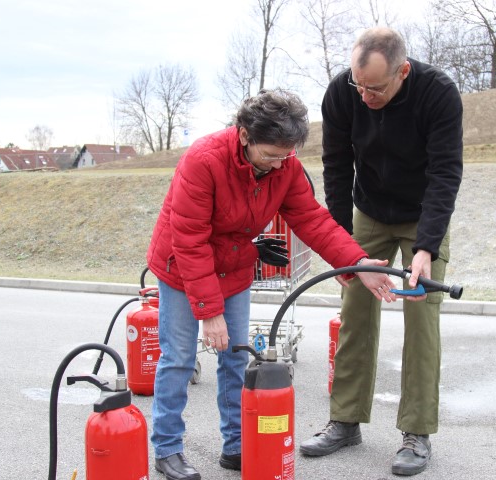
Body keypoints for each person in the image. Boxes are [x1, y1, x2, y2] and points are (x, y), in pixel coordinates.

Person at [146, 88, 398, 480]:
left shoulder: (285, 167)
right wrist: (209, 313)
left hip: (234, 268)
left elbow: (312, 220)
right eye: (270, 154)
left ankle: (236, 444)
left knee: (235, 357)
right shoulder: (203, 159)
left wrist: (357, 262)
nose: (279, 163)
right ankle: (168, 448)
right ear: (244, 135)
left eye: (287, 154)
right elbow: (190, 239)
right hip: (182, 268)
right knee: (178, 357)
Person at [298, 27, 463, 476]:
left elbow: (446, 172)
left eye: (375, 86)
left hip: (421, 213)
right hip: (367, 211)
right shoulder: (342, 93)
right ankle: (345, 420)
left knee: (422, 315)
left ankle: (416, 431)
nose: (364, 94)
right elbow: (336, 166)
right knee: (355, 311)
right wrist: (341, 245)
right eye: (359, 84)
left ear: (402, 72)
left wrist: (426, 246)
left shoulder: (438, 94)